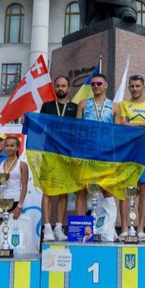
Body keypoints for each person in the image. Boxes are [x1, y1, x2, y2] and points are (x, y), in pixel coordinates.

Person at [118, 74, 145, 242]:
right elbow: (123, 125)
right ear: (128, 88)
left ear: (143, 87)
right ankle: (125, 228)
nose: (135, 89)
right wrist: (142, 124)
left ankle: (141, 228)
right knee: (126, 191)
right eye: (132, 86)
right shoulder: (122, 105)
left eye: (137, 86)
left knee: (144, 191)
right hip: (128, 153)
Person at [76, 73, 120, 218]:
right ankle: (80, 228)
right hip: (87, 153)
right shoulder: (83, 104)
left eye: (99, 83)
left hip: (106, 154)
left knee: (107, 189)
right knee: (82, 189)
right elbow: (77, 129)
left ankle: (109, 226)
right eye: (93, 84)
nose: (95, 86)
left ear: (106, 85)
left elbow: (118, 133)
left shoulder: (114, 107)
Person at [40, 76, 77, 242]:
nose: (60, 88)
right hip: (49, 153)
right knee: (48, 190)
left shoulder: (74, 108)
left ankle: (58, 226)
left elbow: (79, 129)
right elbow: (39, 127)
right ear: (55, 88)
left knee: (63, 191)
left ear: (69, 89)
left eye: (63, 86)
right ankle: (47, 227)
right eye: (58, 85)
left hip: (66, 155)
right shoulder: (47, 107)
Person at [0, 136, 28, 224]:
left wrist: (19, 206)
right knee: (1, 232)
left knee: (13, 232)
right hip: (0, 202)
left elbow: (24, 186)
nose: (9, 148)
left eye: (12, 146)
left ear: (17, 147)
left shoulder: (22, 165)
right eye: (7, 145)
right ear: (4, 147)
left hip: (15, 200)